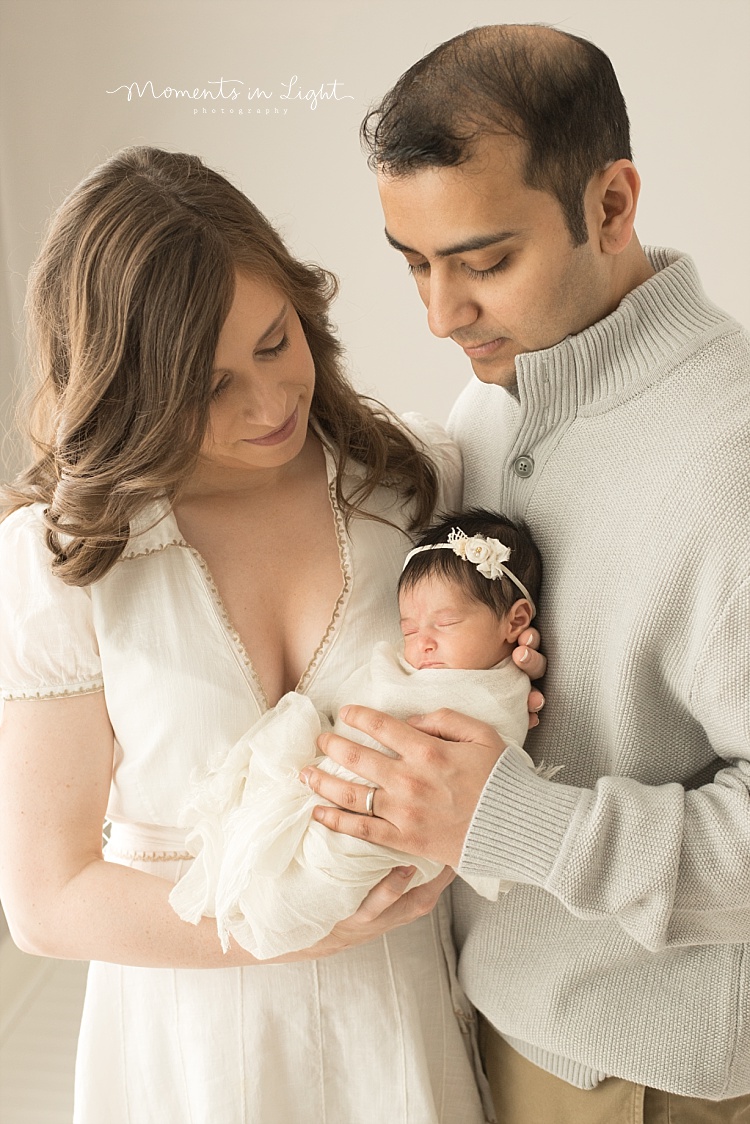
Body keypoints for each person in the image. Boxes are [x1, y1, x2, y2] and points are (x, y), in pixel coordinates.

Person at [0, 145, 545, 1124]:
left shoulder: (417, 479)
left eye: (272, 339)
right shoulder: (63, 557)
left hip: (399, 1029)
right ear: (126, 388)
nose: (267, 402)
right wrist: (291, 931)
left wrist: (501, 684)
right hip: (184, 1053)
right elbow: (47, 897)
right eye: (207, 386)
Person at [299, 24, 750, 1123]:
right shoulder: (488, 404)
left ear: (611, 204)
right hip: (486, 1029)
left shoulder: (731, 453)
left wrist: (518, 822)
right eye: (415, 262)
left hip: (645, 1080)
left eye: (485, 261)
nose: (441, 313)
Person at [169, 508, 557, 959]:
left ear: (516, 621)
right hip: (344, 781)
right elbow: (364, 697)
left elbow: (490, 766)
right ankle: (266, 897)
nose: (421, 643)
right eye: (408, 628)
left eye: (445, 624)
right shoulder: (404, 664)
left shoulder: (504, 691)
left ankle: (277, 910)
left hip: (407, 816)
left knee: (330, 861)